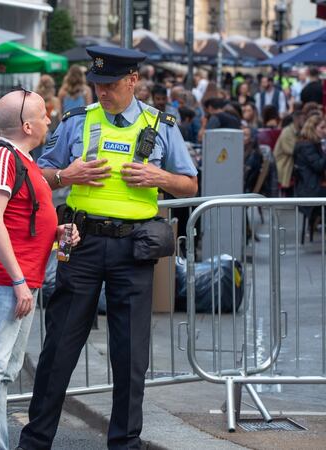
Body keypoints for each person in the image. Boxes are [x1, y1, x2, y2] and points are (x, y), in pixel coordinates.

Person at [18, 46, 198, 450]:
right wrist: (67, 174)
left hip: (135, 248)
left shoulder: (161, 124)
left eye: (111, 85)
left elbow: (189, 184)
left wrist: (159, 175)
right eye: (97, 84)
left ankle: (124, 442)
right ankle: (35, 441)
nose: (102, 92)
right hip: (81, 244)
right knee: (59, 346)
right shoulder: (78, 121)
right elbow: (40, 175)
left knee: (131, 353)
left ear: (133, 80)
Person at [0, 89, 78, 450]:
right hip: (6, 280)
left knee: (1, 373)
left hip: (18, 280)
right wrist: (17, 281)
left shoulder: (19, 158)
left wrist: (56, 232)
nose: (49, 119)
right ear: (28, 125)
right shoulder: (2, 157)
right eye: (44, 114)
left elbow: (16, 219)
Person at [292, 114, 326, 233]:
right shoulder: (307, 145)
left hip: (313, 185)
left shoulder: (310, 144)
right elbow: (319, 166)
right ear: (313, 128)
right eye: (322, 128)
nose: (325, 131)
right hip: (310, 189)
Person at [274, 110, 305, 197]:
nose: (305, 121)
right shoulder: (287, 132)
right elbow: (291, 150)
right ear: (296, 119)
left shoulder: (299, 131)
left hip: (294, 164)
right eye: (303, 119)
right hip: (284, 164)